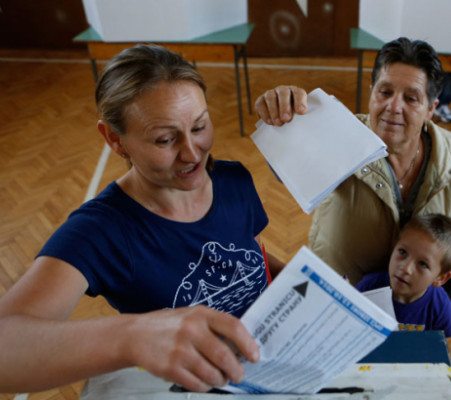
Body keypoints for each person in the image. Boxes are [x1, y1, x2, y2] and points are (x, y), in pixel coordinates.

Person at [0, 44, 285, 394]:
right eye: (165, 139)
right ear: (115, 140)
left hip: (272, 362)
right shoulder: (102, 230)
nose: (192, 153)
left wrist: (304, 283)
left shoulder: (233, 181)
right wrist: (132, 337)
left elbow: (248, 255)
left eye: (199, 127)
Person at [254, 37, 451, 285]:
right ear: (372, 91)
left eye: (411, 98)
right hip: (340, 295)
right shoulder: (338, 133)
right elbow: (285, 166)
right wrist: (283, 117)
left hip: (409, 303)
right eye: (385, 92)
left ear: (431, 109)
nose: (393, 106)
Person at [355, 214, 451, 338]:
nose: (405, 268)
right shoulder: (369, 286)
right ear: (394, 247)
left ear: (441, 278)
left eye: (422, 264)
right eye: (402, 252)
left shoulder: (439, 306)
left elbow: (442, 340)